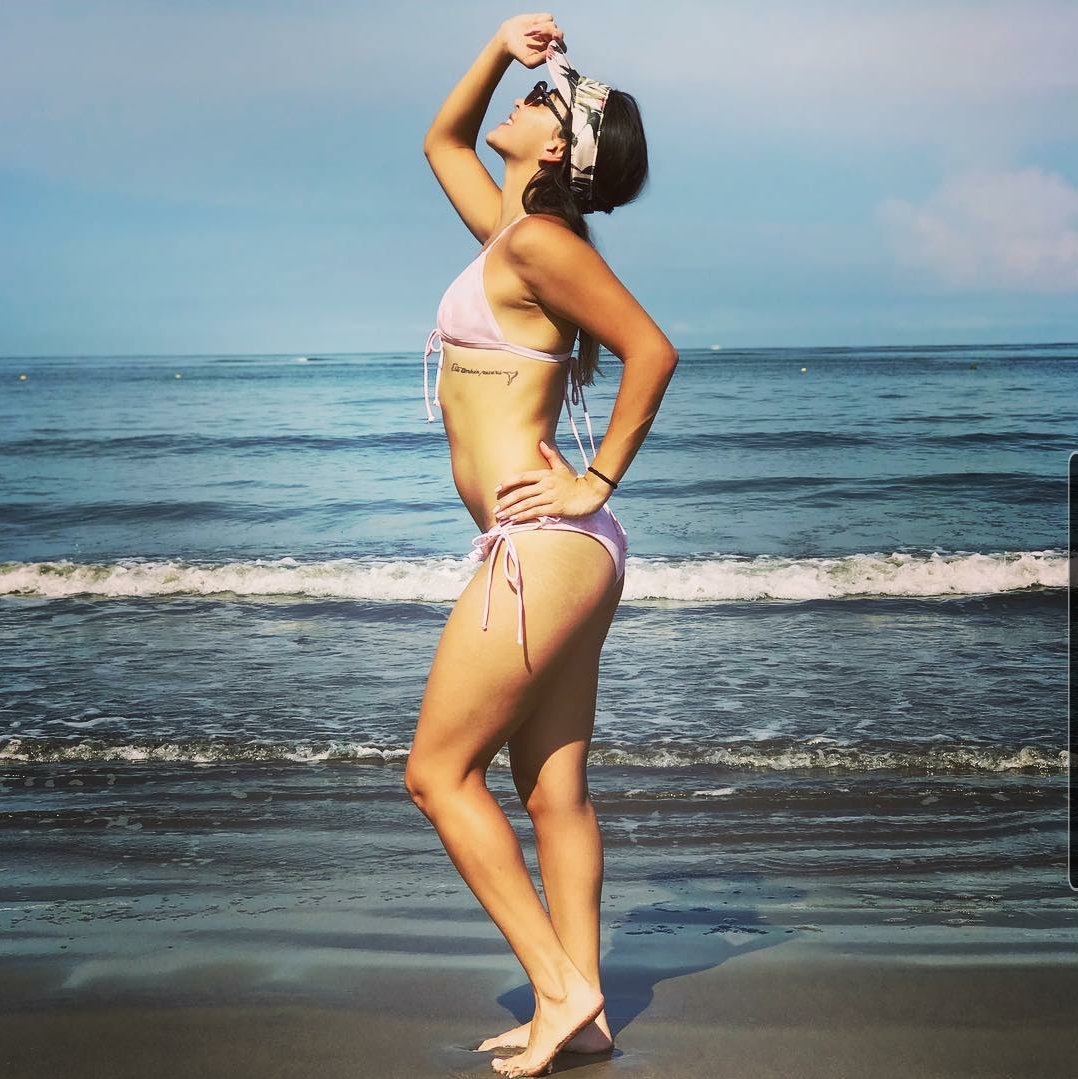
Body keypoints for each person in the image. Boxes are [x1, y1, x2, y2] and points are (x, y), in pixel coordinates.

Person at [404, 12, 677, 1077]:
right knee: (552, 791)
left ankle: (559, 989)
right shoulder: (510, 234)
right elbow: (441, 141)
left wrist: (593, 477)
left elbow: (651, 350)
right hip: (563, 550)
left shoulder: (536, 245)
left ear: (559, 144)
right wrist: (496, 48)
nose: (520, 104)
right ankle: (588, 1011)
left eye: (539, 101)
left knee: (437, 773)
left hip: (544, 545)